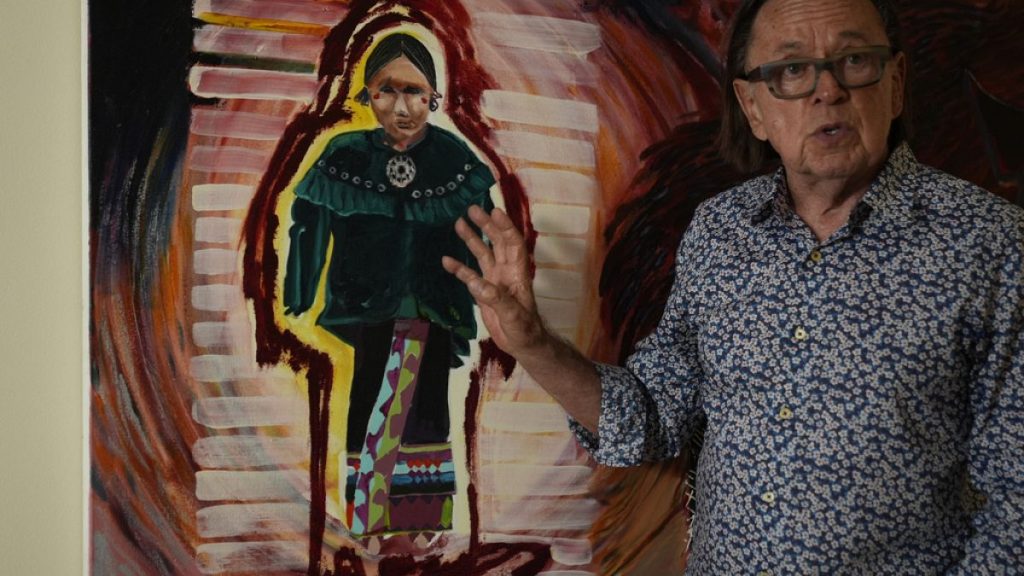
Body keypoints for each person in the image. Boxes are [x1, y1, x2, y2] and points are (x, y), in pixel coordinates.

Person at [442, 0, 1024, 572]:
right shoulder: (720, 232)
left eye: (854, 60)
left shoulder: (991, 245)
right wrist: (531, 343)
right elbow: (647, 421)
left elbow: (1015, 506)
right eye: (792, 70)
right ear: (753, 107)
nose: (828, 90)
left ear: (895, 83)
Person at [284, 32, 495, 536]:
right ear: (368, 95)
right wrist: (299, 289)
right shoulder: (345, 154)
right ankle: (371, 516)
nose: (402, 105)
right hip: (368, 304)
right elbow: (308, 221)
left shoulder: (453, 158)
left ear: (433, 98)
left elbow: (484, 235)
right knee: (369, 401)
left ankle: (425, 518)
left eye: (415, 92)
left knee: (427, 408)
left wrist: (489, 297)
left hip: (436, 303)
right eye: (387, 90)